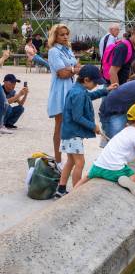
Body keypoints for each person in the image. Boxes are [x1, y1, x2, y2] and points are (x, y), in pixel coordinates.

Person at [75, 102, 135, 197]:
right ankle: (125, 181)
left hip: (98, 165)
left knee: (86, 177)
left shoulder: (126, 130)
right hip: (114, 169)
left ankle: (72, 194)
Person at [55, 66, 116, 198]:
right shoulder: (79, 93)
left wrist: (106, 90)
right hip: (73, 134)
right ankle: (76, 192)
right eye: (95, 83)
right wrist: (93, 126)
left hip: (68, 133)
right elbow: (77, 117)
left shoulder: (78, 90)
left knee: (70, 161)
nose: (95, 86)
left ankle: (61, 189)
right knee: (80, 162)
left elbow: (90, 96)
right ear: (87, 80)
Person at [47, 24, 80, 167]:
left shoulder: (68, 50)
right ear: (55, 36)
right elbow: (62, 73)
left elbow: (72, 68)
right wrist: (73, 69)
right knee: (60, 125)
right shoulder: (54, 51)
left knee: (69, 125)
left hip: (70, 89)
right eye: (62, 34)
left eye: (67, 34)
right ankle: (58, 160)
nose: (65, 36)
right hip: (60, 91)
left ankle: (68, 159)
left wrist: (70, 69)